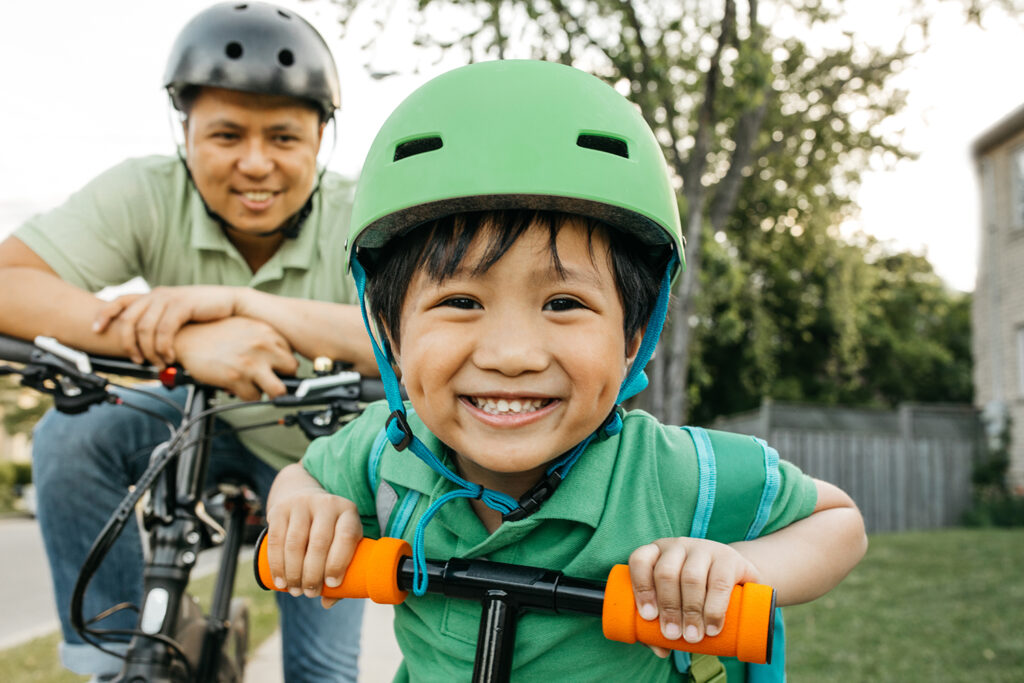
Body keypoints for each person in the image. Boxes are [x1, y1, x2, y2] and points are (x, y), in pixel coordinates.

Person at [263, 59, 868, 681]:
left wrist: (741, 569)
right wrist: (305, 508)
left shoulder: (668, 475)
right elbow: (303, 477)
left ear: (635, 334)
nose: (512, 355)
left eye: (563, 303)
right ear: (389, 332)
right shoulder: (387, 453)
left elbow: (836, 523)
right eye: (461, 302)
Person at [0, 2, 373, 681]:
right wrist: (188, 344)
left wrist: (245, 304)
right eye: (226, 135)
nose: (255, 164)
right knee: (69, 437)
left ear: (322, 139)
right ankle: (110, 659)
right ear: (185, 132)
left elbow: (416, 341)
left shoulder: (365, 210)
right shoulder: (146, 190)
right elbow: (8, 283)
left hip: (322, 455)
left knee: (323, 671)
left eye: (284, 139)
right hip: (194, 415)